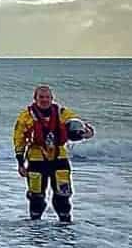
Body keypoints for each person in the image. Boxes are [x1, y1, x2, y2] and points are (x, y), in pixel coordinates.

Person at [13, 84, 92, 223]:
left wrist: (86, 133)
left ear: (52, 98)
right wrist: (20, 163)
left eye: (47, 97)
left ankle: (65, 228)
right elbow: (19, 140)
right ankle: (35, 230)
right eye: (41, 97)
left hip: (59, 159)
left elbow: (76, 125)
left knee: (63, 195)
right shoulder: (25, 117)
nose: (44, 100)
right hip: (36, 160)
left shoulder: (62, 113)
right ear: (35, 98)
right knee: (36, 196)